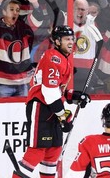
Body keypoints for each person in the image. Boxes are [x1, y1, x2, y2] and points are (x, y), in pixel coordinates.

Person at [12, 25, 91, 178]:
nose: (71, 42)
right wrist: (64, 117)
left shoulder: (65, 59)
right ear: (56, 41)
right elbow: (49, 92)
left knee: (53, 152)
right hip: (41, 107)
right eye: (67, 39)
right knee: (37, 151)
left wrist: (75, 96)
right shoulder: (52, 57)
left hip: (53, 107)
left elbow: (58, 90)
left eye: (72, 39)